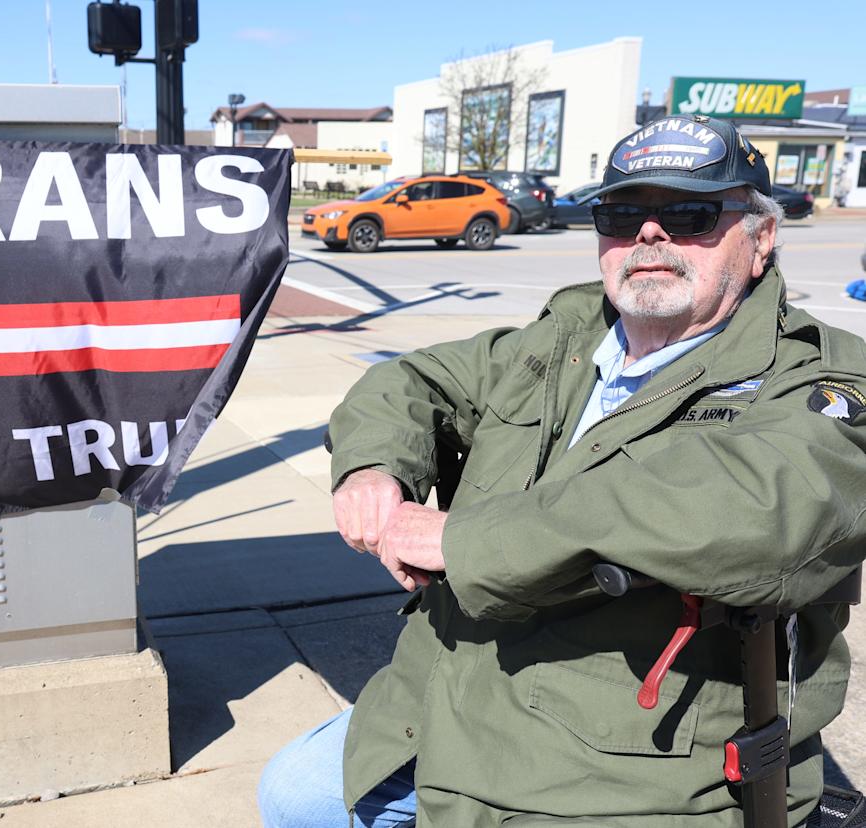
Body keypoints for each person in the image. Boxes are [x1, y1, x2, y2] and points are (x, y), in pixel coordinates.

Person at [258, 114, 866, 826]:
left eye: (690, 213)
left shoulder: (817, 375)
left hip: (616, 753)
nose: (649, 233)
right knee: (295, 793)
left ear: (760, 239)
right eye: (620, 213)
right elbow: (409, 382)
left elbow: (760, 504)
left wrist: (458, 540)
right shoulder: (565, 340)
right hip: (450, 685)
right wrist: (370, 469)